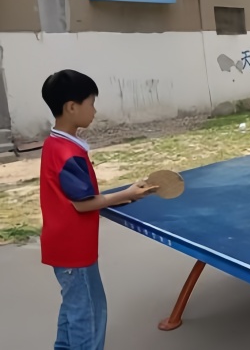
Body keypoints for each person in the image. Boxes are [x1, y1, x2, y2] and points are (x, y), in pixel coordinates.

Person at [40, 69, 156, 349]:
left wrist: (124, 197)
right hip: (74, 251)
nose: (94, 110)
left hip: (60, 246)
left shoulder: (54, 143)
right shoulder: (69, 153)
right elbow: (82, 204)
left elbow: (76, 197)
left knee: (73, 310)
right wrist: (126, 194)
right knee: (90, 315)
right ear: (71, 107)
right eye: (91, 103)